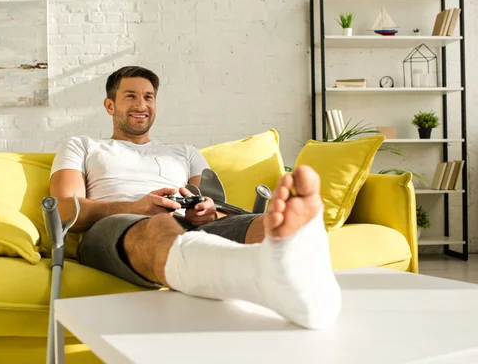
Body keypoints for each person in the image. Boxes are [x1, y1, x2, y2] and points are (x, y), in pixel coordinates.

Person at [50, 66, 341, 329]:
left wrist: (208, 212)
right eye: (131, 96)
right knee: (160, 226)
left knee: (263, 223)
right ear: (109, 105)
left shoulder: (186, 152)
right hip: (115, 228)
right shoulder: (83, 146)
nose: (141, 105)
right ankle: (263, 275)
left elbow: (215, 205)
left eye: (149, 97)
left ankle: (292, 262)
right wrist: (137, 206)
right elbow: (65, 211)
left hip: (189, 225)